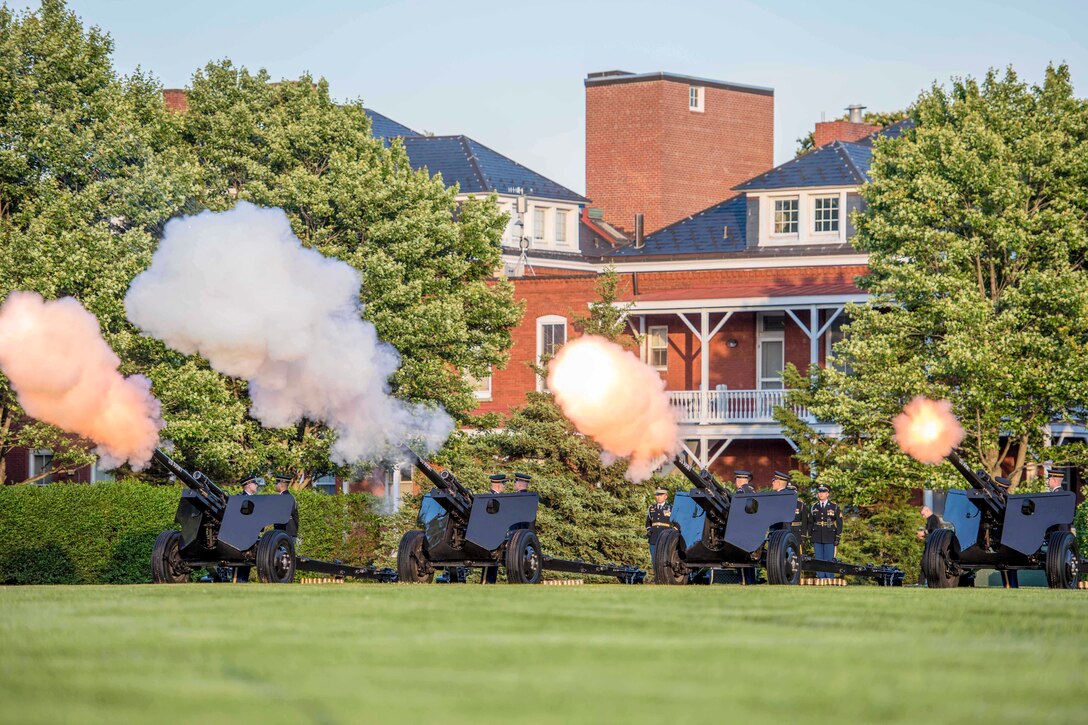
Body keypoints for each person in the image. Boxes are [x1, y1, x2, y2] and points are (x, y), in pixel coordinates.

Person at [808, 484, 842, 579]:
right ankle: (820, 578)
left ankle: (829, 578)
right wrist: (810, 536)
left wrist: (838, 536)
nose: (821, 494)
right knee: (818, 559)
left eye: (823, 492)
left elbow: (839, 523)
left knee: (829, 559)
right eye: (820, 492)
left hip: (830, 535)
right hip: (817, 535)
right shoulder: (813, 507)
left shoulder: (834, 507)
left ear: (827, 494)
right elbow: (810, 523)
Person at [483, 474, 508, 583]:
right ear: (498, 485)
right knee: (491, 559)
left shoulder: (496, 498)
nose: (504, 487)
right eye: (504, 484)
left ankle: (490, 581)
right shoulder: (491, 499)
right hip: (491, 534)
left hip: (496, 534)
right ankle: (487, 581)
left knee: (495, 559)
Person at [235, 475, 259, 583]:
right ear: (248, 485)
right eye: (254, 483)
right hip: (242, 533)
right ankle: (238, 579)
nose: (256, 485)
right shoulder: (239, 497)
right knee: (240, 557)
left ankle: (243, 579)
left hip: (252, 532)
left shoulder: (256, 499)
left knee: (249, 557)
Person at [772, 471, 808, 542]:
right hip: (780, 531)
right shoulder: (780, 495)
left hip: (782, 531)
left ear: (778, 482)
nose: (772, 483)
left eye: (774, 481)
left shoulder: (783, 496)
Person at [916, 505, 942, 585]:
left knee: (925, 563)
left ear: (927, 510)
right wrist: (923, 536)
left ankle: (923, 582)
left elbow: (934, 530)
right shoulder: (930, 519)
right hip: (930, 544)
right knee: (924, 563)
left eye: (923, 514)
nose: (923, 517)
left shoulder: (934, 518)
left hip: (933, 545)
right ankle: (921, 582)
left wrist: (923, 533)